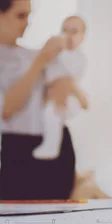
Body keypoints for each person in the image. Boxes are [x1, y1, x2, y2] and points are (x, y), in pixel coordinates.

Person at [0, 0, 87, 202]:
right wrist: (40, 63)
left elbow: (63, 89)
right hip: (18, 151)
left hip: (58, 147)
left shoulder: (34, 53)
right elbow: (5, 109)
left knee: (59, 222)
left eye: (29, 16)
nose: (27, 22)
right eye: (20, 15)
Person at [33, 15, 88, 160]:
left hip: (69, 98)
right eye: (65, 30)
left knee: (53, 113)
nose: (68, 35)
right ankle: (49, 144)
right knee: (48, 114)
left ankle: (51, 147)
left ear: (83, 37)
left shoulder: (79, 58)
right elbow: (47, 74)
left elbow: (68, 79)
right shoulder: (56, 54)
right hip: (53, 94)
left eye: (74, 31)